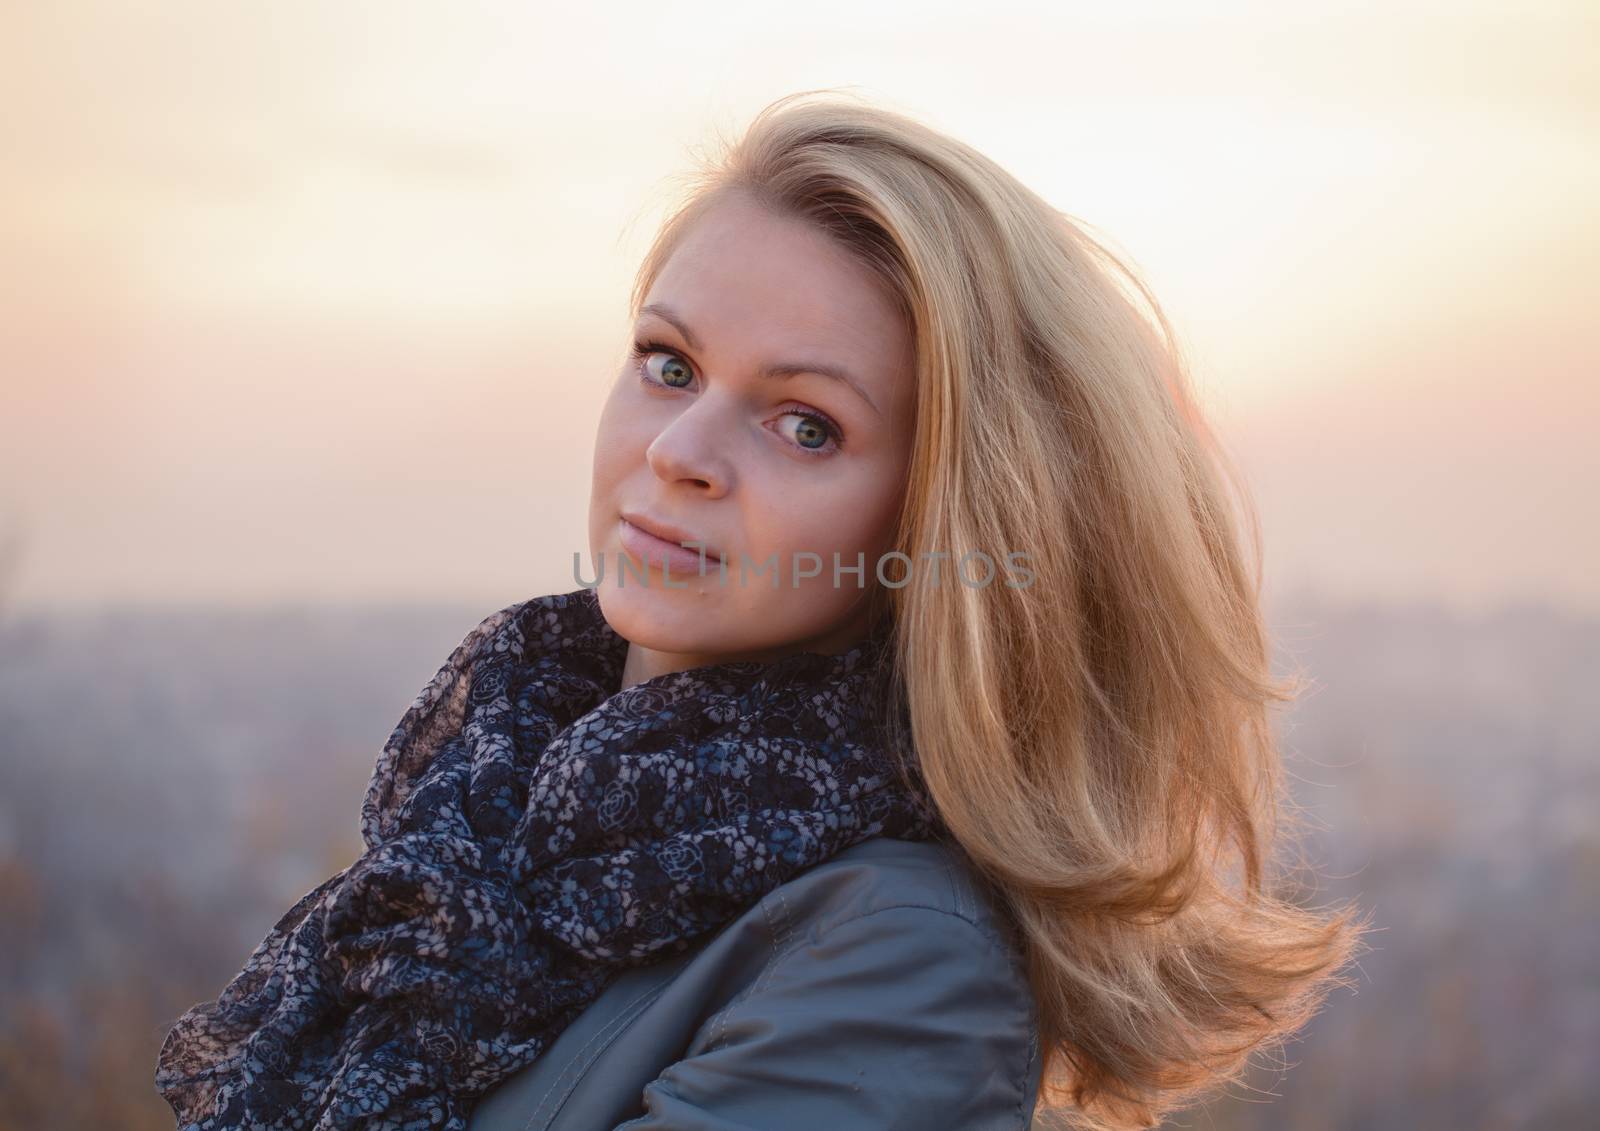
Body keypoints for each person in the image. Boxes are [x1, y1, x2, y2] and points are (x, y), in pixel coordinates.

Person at [155, 91, 1369, 1131]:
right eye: (668, 363)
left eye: (806, 425)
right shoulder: (486, 807)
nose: (679, 449)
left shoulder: (897, 959)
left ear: (940, 522)